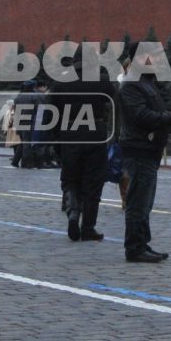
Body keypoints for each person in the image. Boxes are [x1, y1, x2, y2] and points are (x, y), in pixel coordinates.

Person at [117, 48, 171, 262]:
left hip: (149, 149)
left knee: (145, 200)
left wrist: (170, 117)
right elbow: (141, 115)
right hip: (139, 148)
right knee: (138, 200)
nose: (156, 60)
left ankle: (142, 243)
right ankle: (135, 248)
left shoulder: (145, 81)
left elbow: (152, 111)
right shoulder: (131, 85)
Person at [51, 60, 115, 242]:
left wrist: (57, 138)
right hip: (95, 135)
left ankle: (72, 212)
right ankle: (88, 228)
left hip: (69, 135)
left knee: (70, 179)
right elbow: (115, 101)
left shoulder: (61, 82)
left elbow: (50, 111)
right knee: (93, 183)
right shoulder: (101, 81)